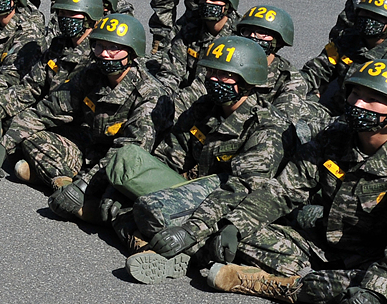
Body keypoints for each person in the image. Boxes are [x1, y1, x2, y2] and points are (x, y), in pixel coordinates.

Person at [204, 62, 387, 304]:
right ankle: (333, 298)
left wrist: (376, 290)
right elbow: (285, 190)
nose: (358, 103)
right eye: (355, 94)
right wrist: (237, 224)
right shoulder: (335, 136)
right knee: (235, 238)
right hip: (321, 246)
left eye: (372, 100)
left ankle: (267, 283)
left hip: (374, 262)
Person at [118, 36, 290, 282]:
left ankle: (182, 251)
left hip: (240, 204)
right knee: (128, 200)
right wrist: (134, 187)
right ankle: (175, 251)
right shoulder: (205, 107)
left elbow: (242, 188)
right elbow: (171, 154)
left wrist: (189, 231)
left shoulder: (265, 127)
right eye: (211, 72)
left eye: (224, 75)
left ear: (248, 81)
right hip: (203, 190)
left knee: (149, 211)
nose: (214, 80)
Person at [0, 14, 173, 228]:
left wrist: (84, 185)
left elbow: (129, 153)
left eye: (113, 48)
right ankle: (66, 187)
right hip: (91, 151)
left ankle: (71, 191)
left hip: (126, 166)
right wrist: (6, 143)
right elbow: (47, 110)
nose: (104, 54)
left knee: (121, 197)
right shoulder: (91, 74)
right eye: (99, 46)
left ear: (132, 52)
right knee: (32, 138)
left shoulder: (149, 94)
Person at [295, 0, 387, 131]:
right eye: (364, 13)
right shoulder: (346, 40)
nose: (367, 19)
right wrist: (292, 89)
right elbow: (316, 70)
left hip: (370, 123)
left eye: (376, 16)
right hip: (335, 109)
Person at [147, 0, 240, 92]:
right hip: (187, 93)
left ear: (229, 5)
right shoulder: (191, 22)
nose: (207, 2)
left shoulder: (239, 35)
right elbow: (173, 62)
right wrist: (164, 95)